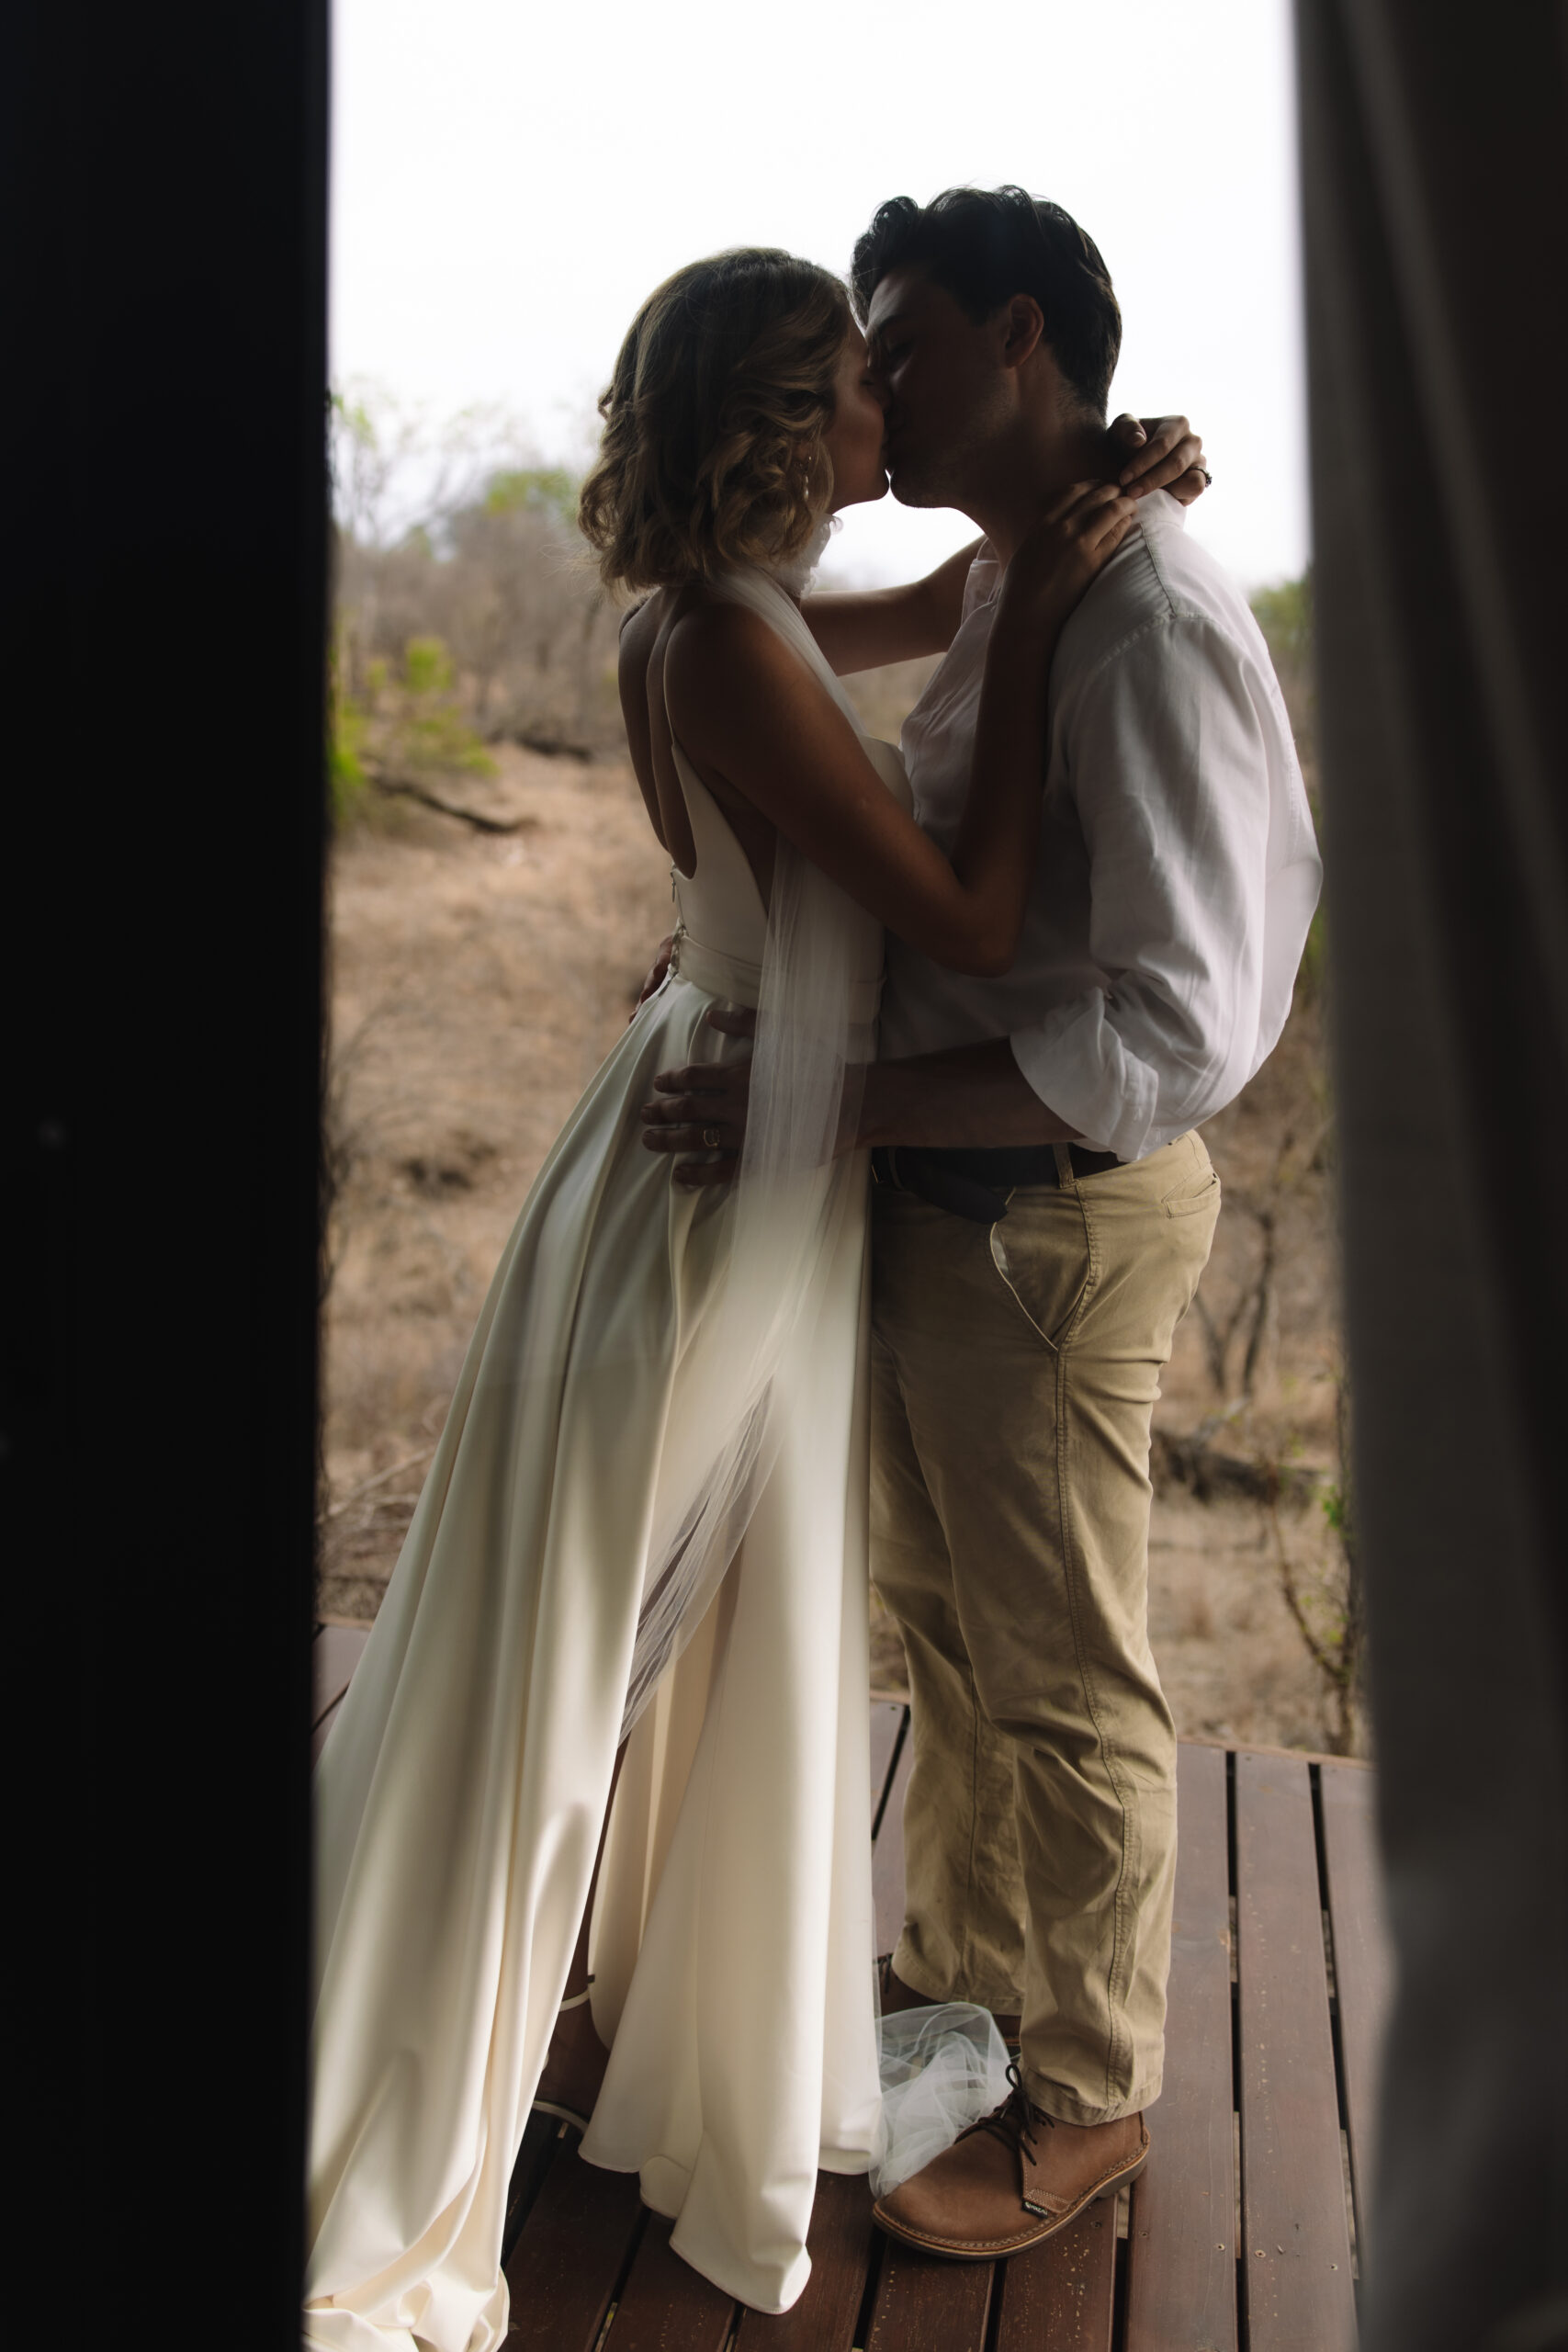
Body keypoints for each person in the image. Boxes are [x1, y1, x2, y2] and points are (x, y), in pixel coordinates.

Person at [304, 243, 1201, 2350]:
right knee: (600, 1626)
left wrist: (1094, 500)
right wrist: (1059, 598)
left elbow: (931, 610)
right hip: (735, 1170)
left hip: (719, 1120)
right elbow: (968, 901)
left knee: (662, 1608)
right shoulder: (724, 651)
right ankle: (469, 2028)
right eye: (858, 382)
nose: (893, 403)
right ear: (795, 424)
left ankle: (625, 2012)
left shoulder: (710, 619)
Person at [638, 186, 1322, 2260]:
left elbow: (1170, 1032)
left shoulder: (1148, 621)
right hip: (928, 1188)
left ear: (1018, 337)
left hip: (1046, 1213)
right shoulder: (1030, 574)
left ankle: (1088, 2087)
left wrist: (832, 1102)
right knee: (946, 1629)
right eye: (849, 359)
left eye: (901, 346)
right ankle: (961, 1996)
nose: (873, 388)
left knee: (1057, 1672)